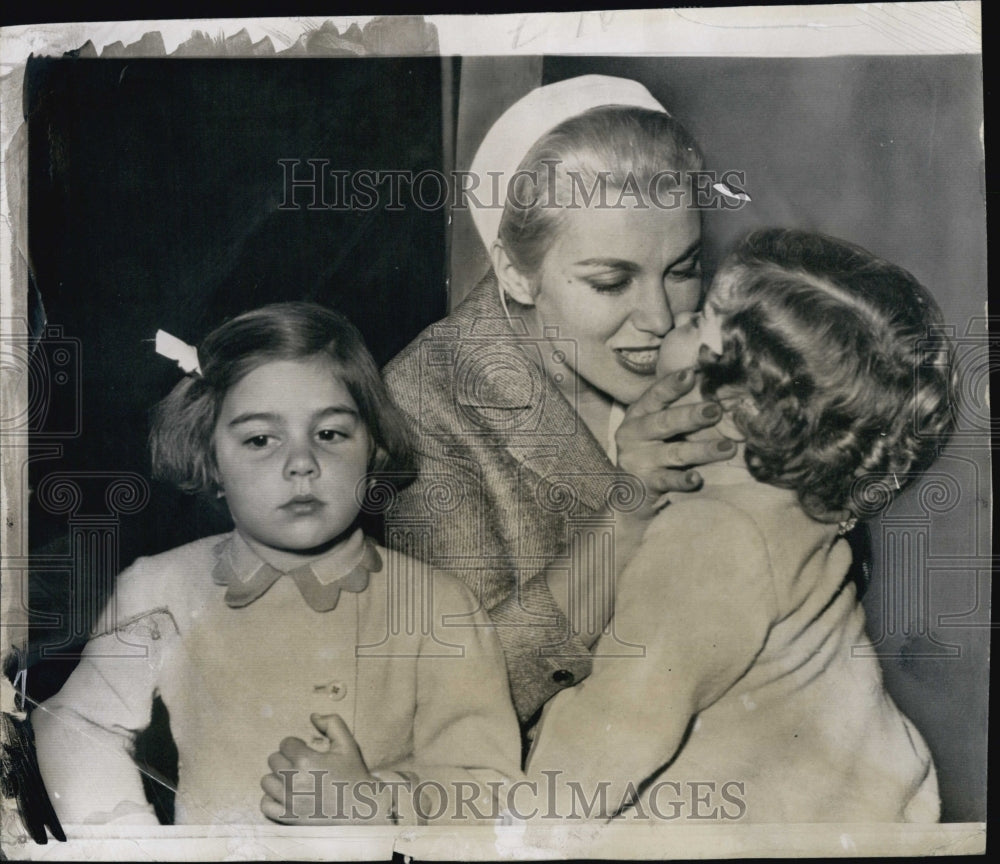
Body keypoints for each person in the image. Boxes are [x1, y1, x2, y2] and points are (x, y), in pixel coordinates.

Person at [31, 302, 522, 827]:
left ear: (374, 449)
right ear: (210, 458)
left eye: (329, 434)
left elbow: (489, 786)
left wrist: (374, 799)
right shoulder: (160, 587)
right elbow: (75, 725)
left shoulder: (438, 606)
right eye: (260, 439)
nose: (301, 463)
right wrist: (129, 843)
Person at [524, 229, 954, 822]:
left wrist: (520, 829)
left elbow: (618, 725)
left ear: (743, 402)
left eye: (701, 319)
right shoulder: (801, 505)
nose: (675, 320)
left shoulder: (710, 535)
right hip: (860, 804)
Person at [384, 76, 732, 724]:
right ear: (516, 273)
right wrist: (627, 516)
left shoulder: (712, 345)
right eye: (611, 282)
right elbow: (450, 698)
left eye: (683, 270)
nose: (660, 318)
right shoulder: (424, 403)